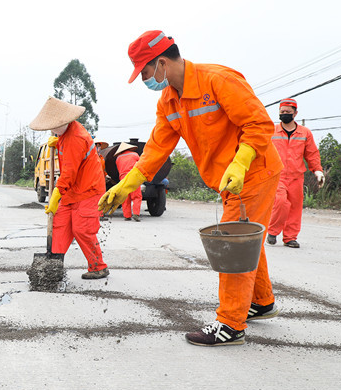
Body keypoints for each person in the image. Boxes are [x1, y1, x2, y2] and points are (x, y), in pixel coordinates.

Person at [100, 30, 283, 346]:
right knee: (246, 240)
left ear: (161, 63)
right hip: (228, 180)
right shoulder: (168, 101)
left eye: (144, 72)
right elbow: (156, 150)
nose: (144, 79)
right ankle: (262, 302)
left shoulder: (218, 80)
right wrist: (124, 186)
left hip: (254, 172)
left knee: (234, 245)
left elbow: (259, 124)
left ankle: (230, 324)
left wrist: (240, 163)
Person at [31, 97, 109, 279]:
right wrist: (56, 143)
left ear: (64, 122)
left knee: (82, 229)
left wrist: (56, 194)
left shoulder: (76, 137)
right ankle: (53, 266)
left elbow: (69, 172)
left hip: (88, 190)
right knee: (59, 224)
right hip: (73, 190)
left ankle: (98, 267)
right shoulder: (65, 134)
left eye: (53, 126)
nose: (51, 130)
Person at [266, 98, 324, 248]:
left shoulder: (304, 133)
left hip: (296, 176)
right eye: (282, 112)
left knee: (295, 207)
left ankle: (290, 237)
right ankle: (272, 231)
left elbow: (312, 154)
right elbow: (262, 151)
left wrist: (317, 171)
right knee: (280, 203)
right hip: (276, 175)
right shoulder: (271, 131)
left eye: (288, 112)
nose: (284, 114)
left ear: (295, 113)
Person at [114, 142, 142, 222]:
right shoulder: (135, 155)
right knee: (136, 196)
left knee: (125, 197)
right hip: (133, 177)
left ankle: (127, 216)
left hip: (123, 178)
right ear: (129, 148)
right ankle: (136, 214)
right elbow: (140, 164)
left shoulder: (118, 158)